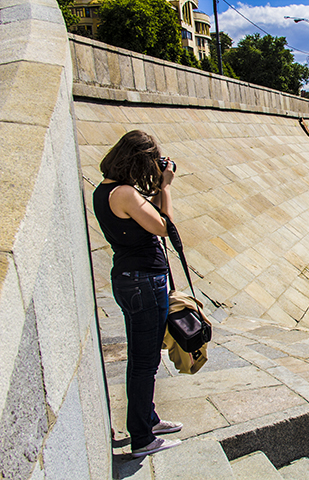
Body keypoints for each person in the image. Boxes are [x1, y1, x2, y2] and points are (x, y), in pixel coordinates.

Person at [93, 130, 183, 458]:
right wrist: (167, 186)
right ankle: (143, 437)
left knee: (142, 357)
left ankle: (149, 419)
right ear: (137, 160)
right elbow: (163, 225)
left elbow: (149, 218)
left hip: (131, 279)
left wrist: (159, 187)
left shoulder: (105, 191)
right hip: (144, 282)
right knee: (145, 362)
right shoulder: (126, 194)